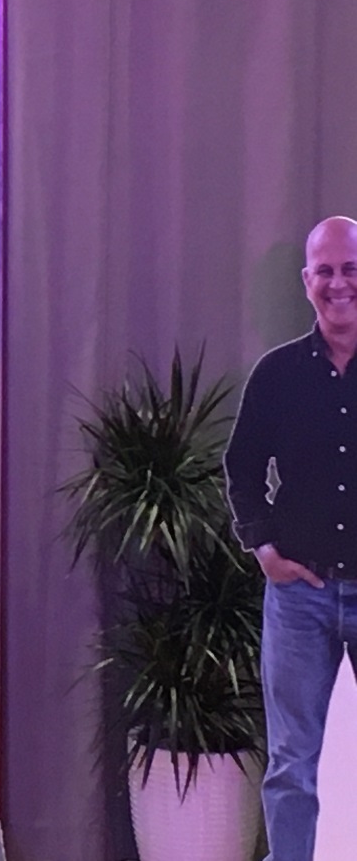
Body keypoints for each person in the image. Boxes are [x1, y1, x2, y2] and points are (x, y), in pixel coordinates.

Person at [224, 215, 357, 861]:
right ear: (307, 282)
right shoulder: (276, 375)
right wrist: (264, 550)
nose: (339, 283)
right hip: (299, 597)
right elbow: (242, 467)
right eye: (325, 271)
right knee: (291, 766)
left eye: (351, 269)